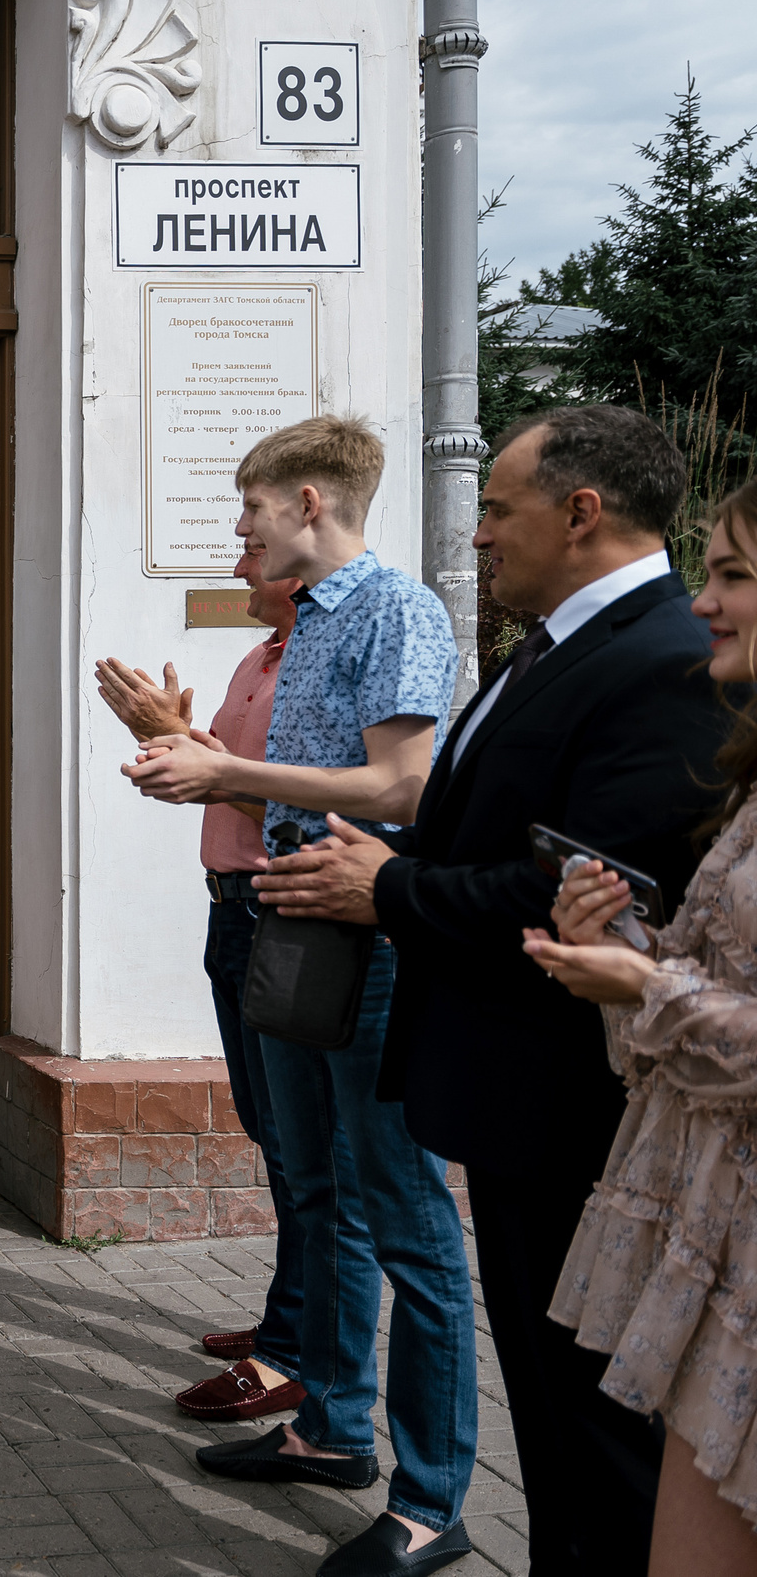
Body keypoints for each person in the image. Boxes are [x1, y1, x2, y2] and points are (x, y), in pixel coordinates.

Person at [271, 405, 728, 1577]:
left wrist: (391, 893)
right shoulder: (559, 642)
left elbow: (574, 892)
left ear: (580, 514)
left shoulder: (663, 658)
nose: (476, 536)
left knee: (594, 1428)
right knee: (549, 1408)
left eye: (495, 509)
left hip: (571, 1104)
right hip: (509, 1096)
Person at [124, 415, 477, 1577]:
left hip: (369, 949)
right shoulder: (309, 624)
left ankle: (431, 1503)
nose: (239, 530)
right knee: (315, 1191)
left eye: (250, 511)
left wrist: (223, 768)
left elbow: (400, 785)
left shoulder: (396, 612)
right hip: (290, 931)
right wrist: (188, 756)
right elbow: (292, 780)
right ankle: (331, 1430)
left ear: (311, 502)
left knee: (410, 1225)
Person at [525, 472, 757, 1577]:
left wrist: (642, 989)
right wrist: (630, 949)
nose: (703, 603)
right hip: (716, 1232)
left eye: (733, 576)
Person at [96, 546, 320, 1425]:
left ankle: (291, 1355)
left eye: (253, 549)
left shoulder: (315, 663)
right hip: (231, 913)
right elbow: (231, 786)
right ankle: (284, 1319)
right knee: (271, 1130)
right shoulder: (254, 657)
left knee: (304, 1149)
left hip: (279, 914)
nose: (236, 561)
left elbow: (312, 806)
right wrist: (177, 752)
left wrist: (192, 746)